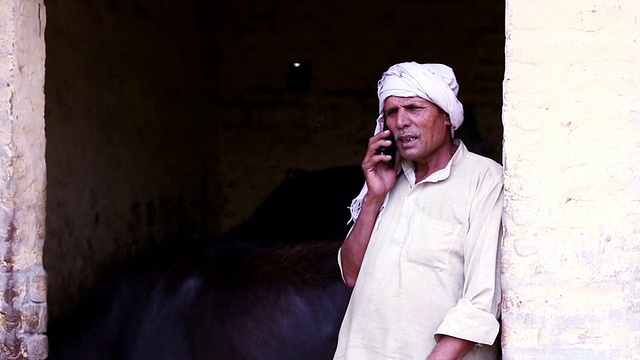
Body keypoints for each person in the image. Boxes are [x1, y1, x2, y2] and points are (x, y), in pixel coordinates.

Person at [333, 62, 503, 360]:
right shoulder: (387, 181)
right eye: (392, 112)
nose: (401, 122)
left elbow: (481, 300)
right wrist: (374, 196)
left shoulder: (485, 180)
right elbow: (351, 273)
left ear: (448, 117)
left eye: (414, 108)